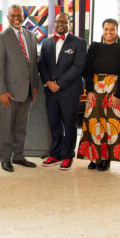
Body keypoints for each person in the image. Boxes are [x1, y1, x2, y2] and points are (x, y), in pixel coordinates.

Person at [77, 18, 120, 171]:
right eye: (106, 29)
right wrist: (88, 91)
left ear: (116, 31)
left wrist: (118, 94)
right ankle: (95, 157)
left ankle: (107, 158)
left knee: (111, 126)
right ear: (102, 30)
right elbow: (87, 71)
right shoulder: (95, 47)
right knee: (94, 124)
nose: (109, 32)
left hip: (115, 90)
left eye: (112, 29)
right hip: (96, 90)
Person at [0, 4, 39, 172]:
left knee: (21, 127)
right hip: (8, 93)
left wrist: (34, 86)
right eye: (13, 15)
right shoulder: (1, 37)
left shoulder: (31, 36)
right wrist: (1, 91)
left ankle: (18, 156)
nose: (16, 18)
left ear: (24, 16)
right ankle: (5, 159)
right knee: (6, 127)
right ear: (8, 17)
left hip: (27, 91)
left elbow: (33, 65)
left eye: (19, 15)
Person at [38, 12, 87, 171]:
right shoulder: (47, 43)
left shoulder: (79, 43)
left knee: (69, 124)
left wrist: (59, 83)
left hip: (69, 91)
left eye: (64, 22)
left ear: (68, 24)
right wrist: (48, 82)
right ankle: (55, 153)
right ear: (54, 23)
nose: (60, 24)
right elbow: (42, 64)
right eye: (58, 21)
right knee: (54, 124)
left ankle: (67, 155)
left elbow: (78, 67)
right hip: (51, 91)